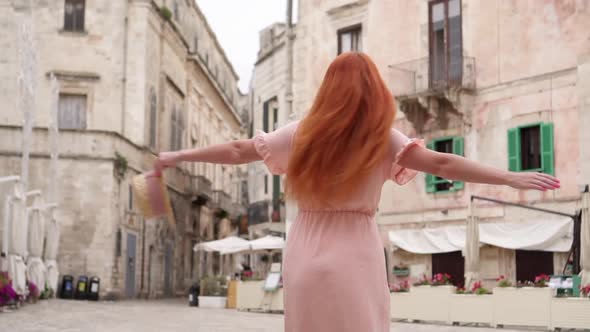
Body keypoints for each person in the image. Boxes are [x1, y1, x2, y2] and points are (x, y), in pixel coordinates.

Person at [155, 52, 559, 332]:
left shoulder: (300, 134)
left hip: (306, 246)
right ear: (374, 91)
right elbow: (442, 164)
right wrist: (510, 177)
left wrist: (178, 154)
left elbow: (240, 150)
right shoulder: (380, 138)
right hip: (356, 250)